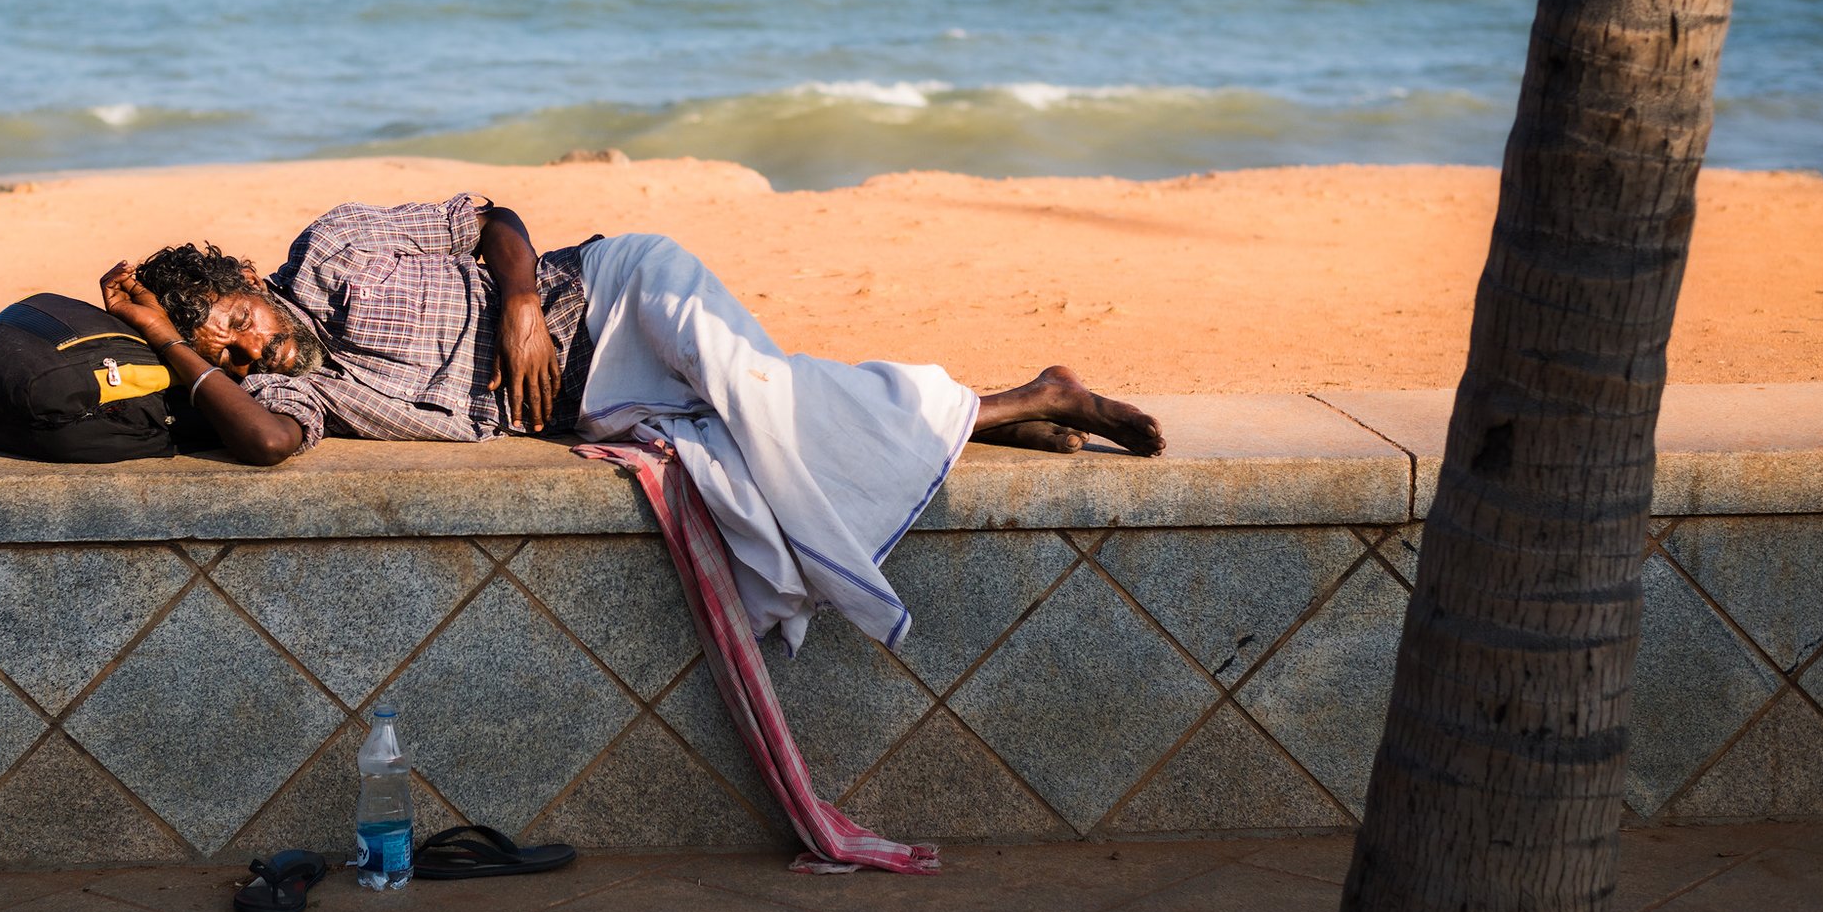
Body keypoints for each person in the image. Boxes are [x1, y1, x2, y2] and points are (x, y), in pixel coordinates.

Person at [99, 193, 1164, 649]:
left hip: (607, 289)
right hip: (598, 401)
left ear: (248, 275)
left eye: (236, 321)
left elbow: (488, 219)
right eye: (223, 352)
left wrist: (518, 303)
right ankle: (1018, 402)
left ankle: (1018, 405)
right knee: (764, 433)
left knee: (762, 397)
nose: (246, 350)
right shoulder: (297, 394)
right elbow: (266, 444)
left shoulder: (332, 246)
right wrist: (168, 342)